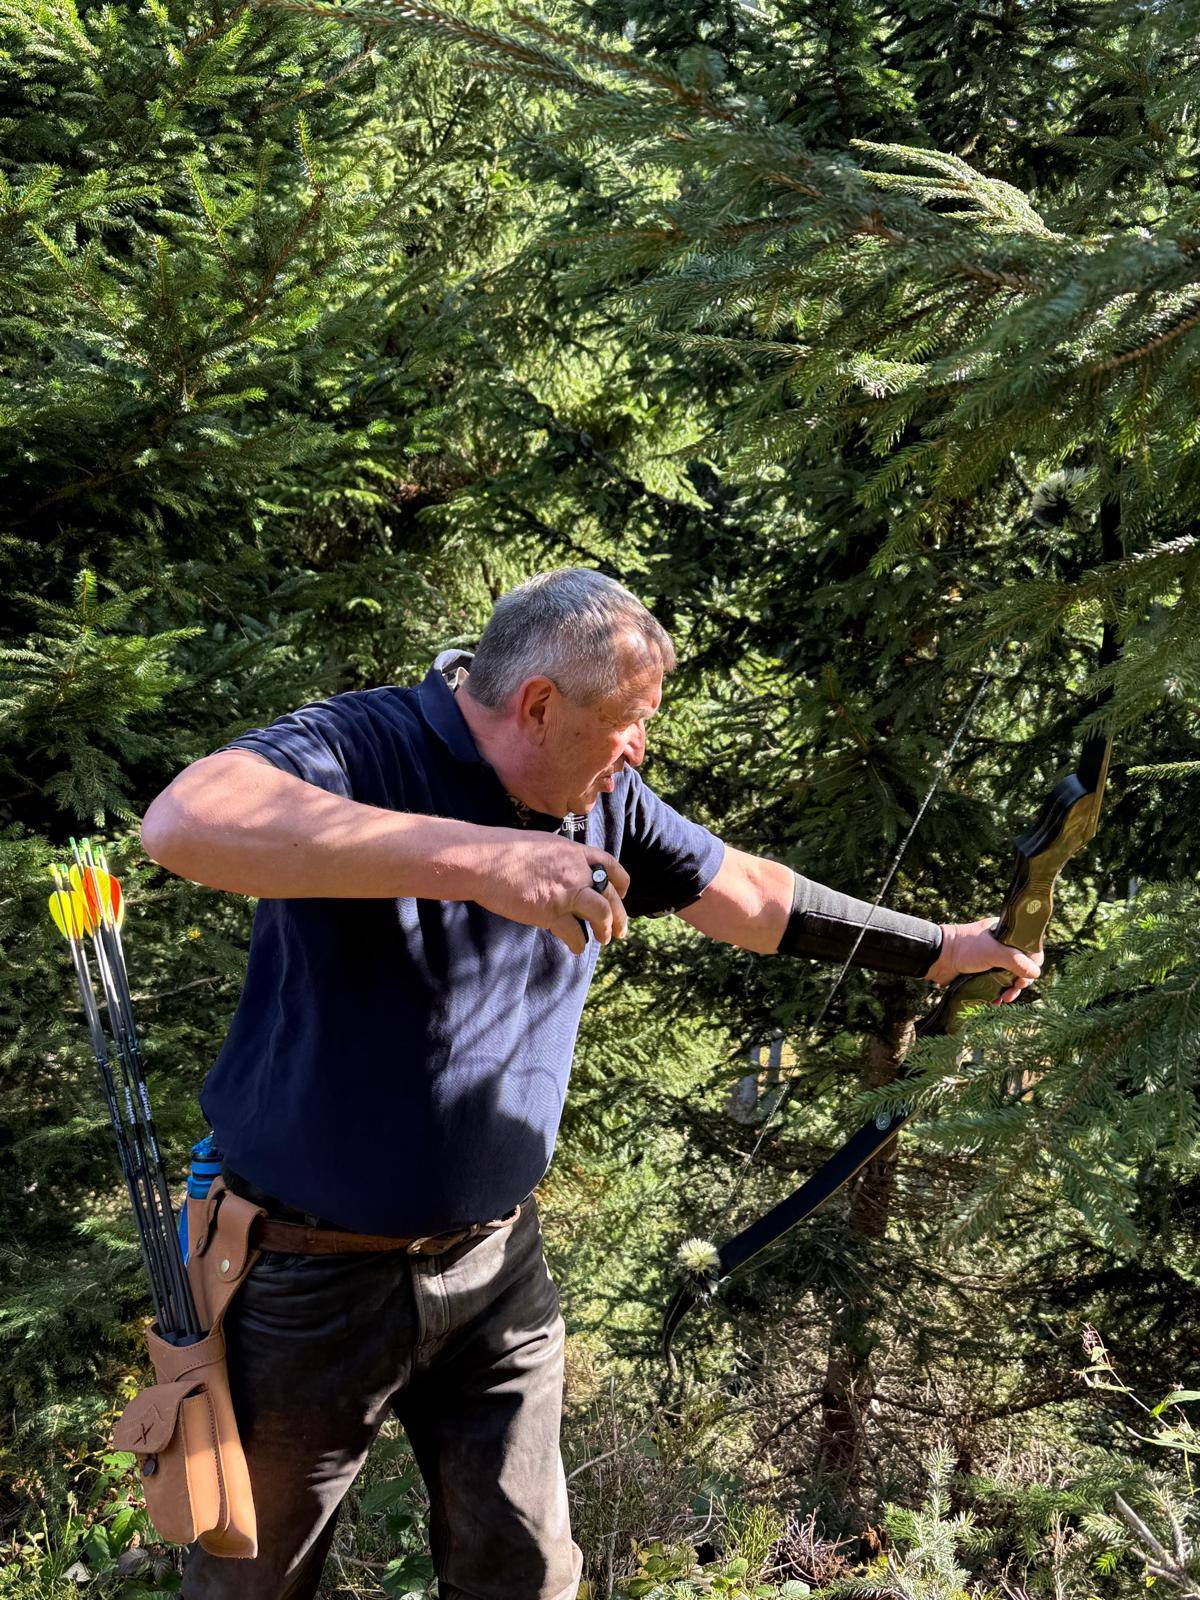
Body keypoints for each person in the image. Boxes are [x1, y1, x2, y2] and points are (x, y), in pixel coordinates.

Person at [140, 568, 1040, 1600]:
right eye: (625, 721)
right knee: (250, 1584)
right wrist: (484, 860)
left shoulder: (604, 797)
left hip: (495, 1272)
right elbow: (184, 822)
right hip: (304, 1276)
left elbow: (748, 895)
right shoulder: (363, 744)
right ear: (537, 705)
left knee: (526, 1576)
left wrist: (942, 949)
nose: (638, 749)